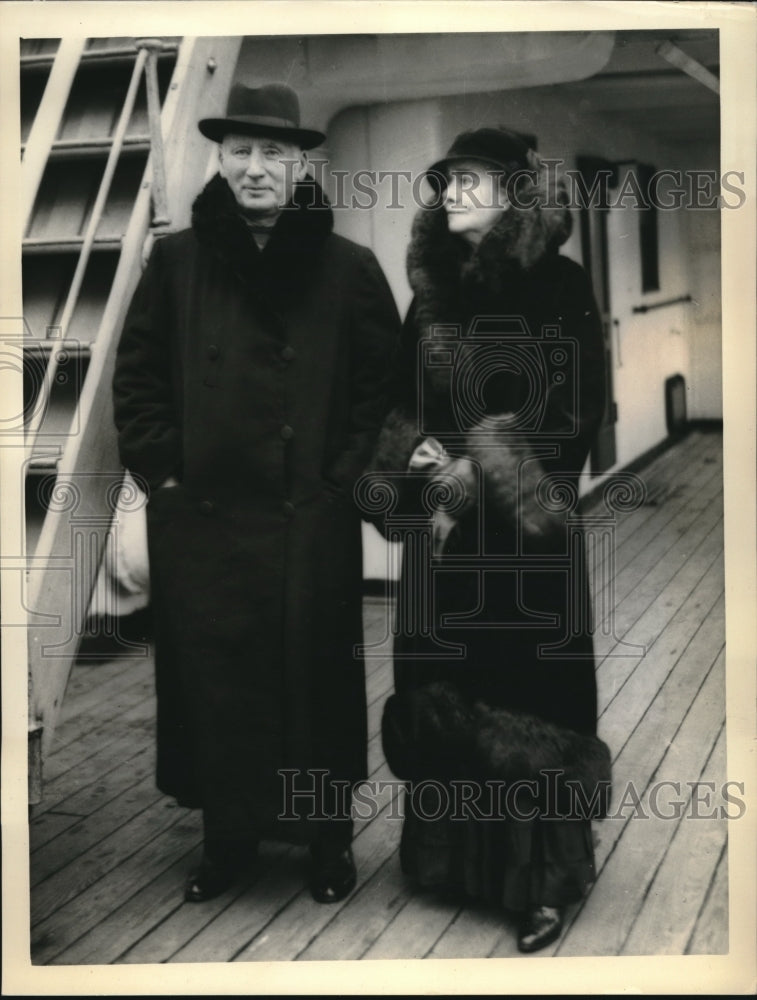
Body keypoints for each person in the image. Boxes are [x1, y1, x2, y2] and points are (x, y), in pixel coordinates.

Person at [112, 83, 401, 904]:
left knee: (313, 684)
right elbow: (137, 383)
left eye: (272, 152)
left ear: (301, 164)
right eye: (239, 152)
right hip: (204, 521)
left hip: (307, 518)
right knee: (219, 686)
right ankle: (228, 841)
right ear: (221, 161)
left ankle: (326, 842)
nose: (255, 167)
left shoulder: (348, 269)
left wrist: (340, 482)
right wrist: (166, 471)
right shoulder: (176, 262)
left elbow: (380, 392)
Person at [366, 128, 611, 952]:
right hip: (439, 540)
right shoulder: (429, 293)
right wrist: (410, 455)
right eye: (447, 180)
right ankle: (452, 864)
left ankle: (538, 885)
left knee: (526, 704)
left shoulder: (560, 285)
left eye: (472, 179)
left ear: (516, 193)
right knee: (443, 692)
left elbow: (576, 412)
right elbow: (399, 398)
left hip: (522, 544)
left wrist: (480, 463)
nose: (454, 192)